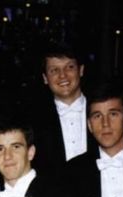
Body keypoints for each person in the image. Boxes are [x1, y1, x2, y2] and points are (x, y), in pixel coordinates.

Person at [29, 42, 92, 179]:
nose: (62, 75)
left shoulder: (99, 111)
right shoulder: (34, 119)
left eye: (69, 67)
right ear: (45, 78)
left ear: (81, 70)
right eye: (54, 70)